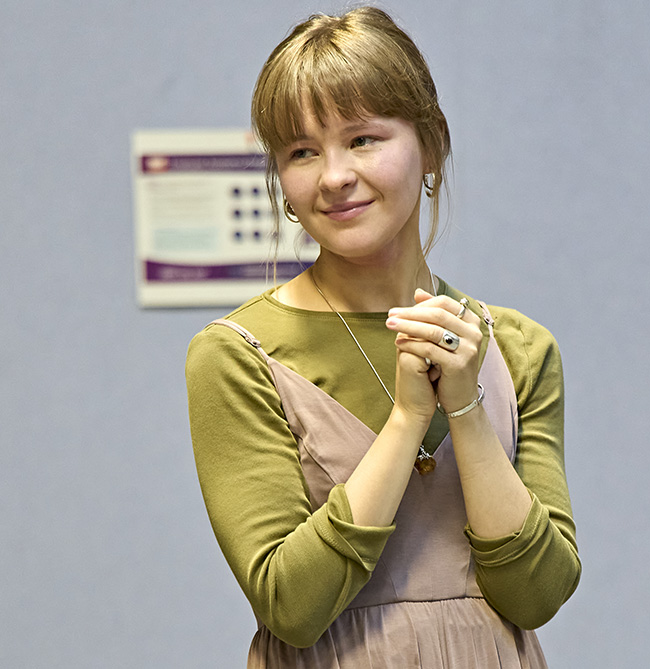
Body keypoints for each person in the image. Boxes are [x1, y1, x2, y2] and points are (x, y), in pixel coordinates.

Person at [185, 7, 580, 668]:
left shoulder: (518, 346)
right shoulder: (235, 354)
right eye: (302, 151)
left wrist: (466, 408)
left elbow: (536, 591)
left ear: (431, 145)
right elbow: (292, 606)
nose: (334, 175)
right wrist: (406, 420)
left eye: (363, 138)